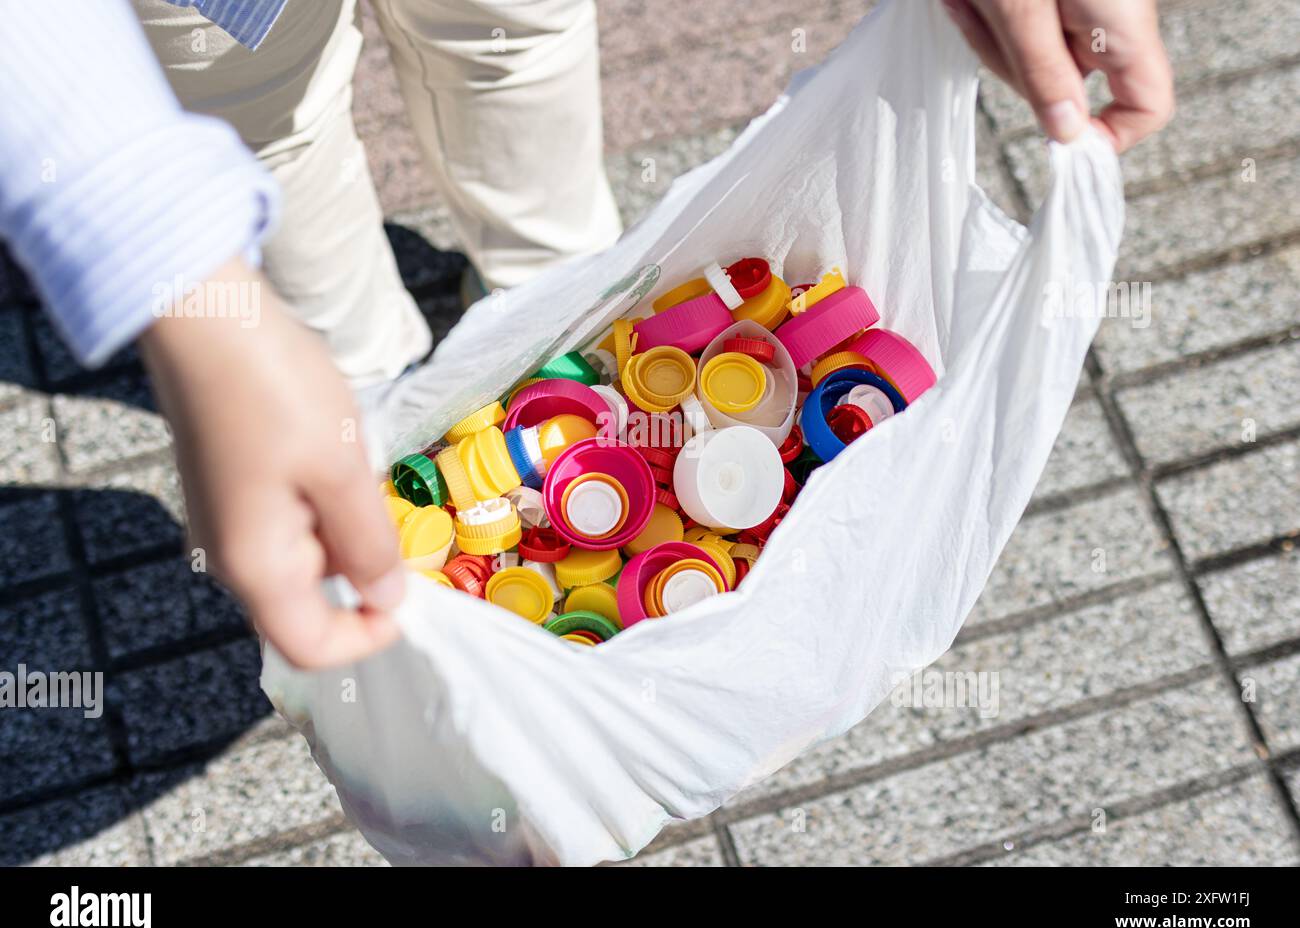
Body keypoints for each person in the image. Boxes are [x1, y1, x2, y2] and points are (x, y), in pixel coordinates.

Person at [0, 0, 1172, 670]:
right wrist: (173, 263)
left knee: (500, 45)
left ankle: (547, 290)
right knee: (268, 118)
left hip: (612, 442)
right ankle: (362, 357)